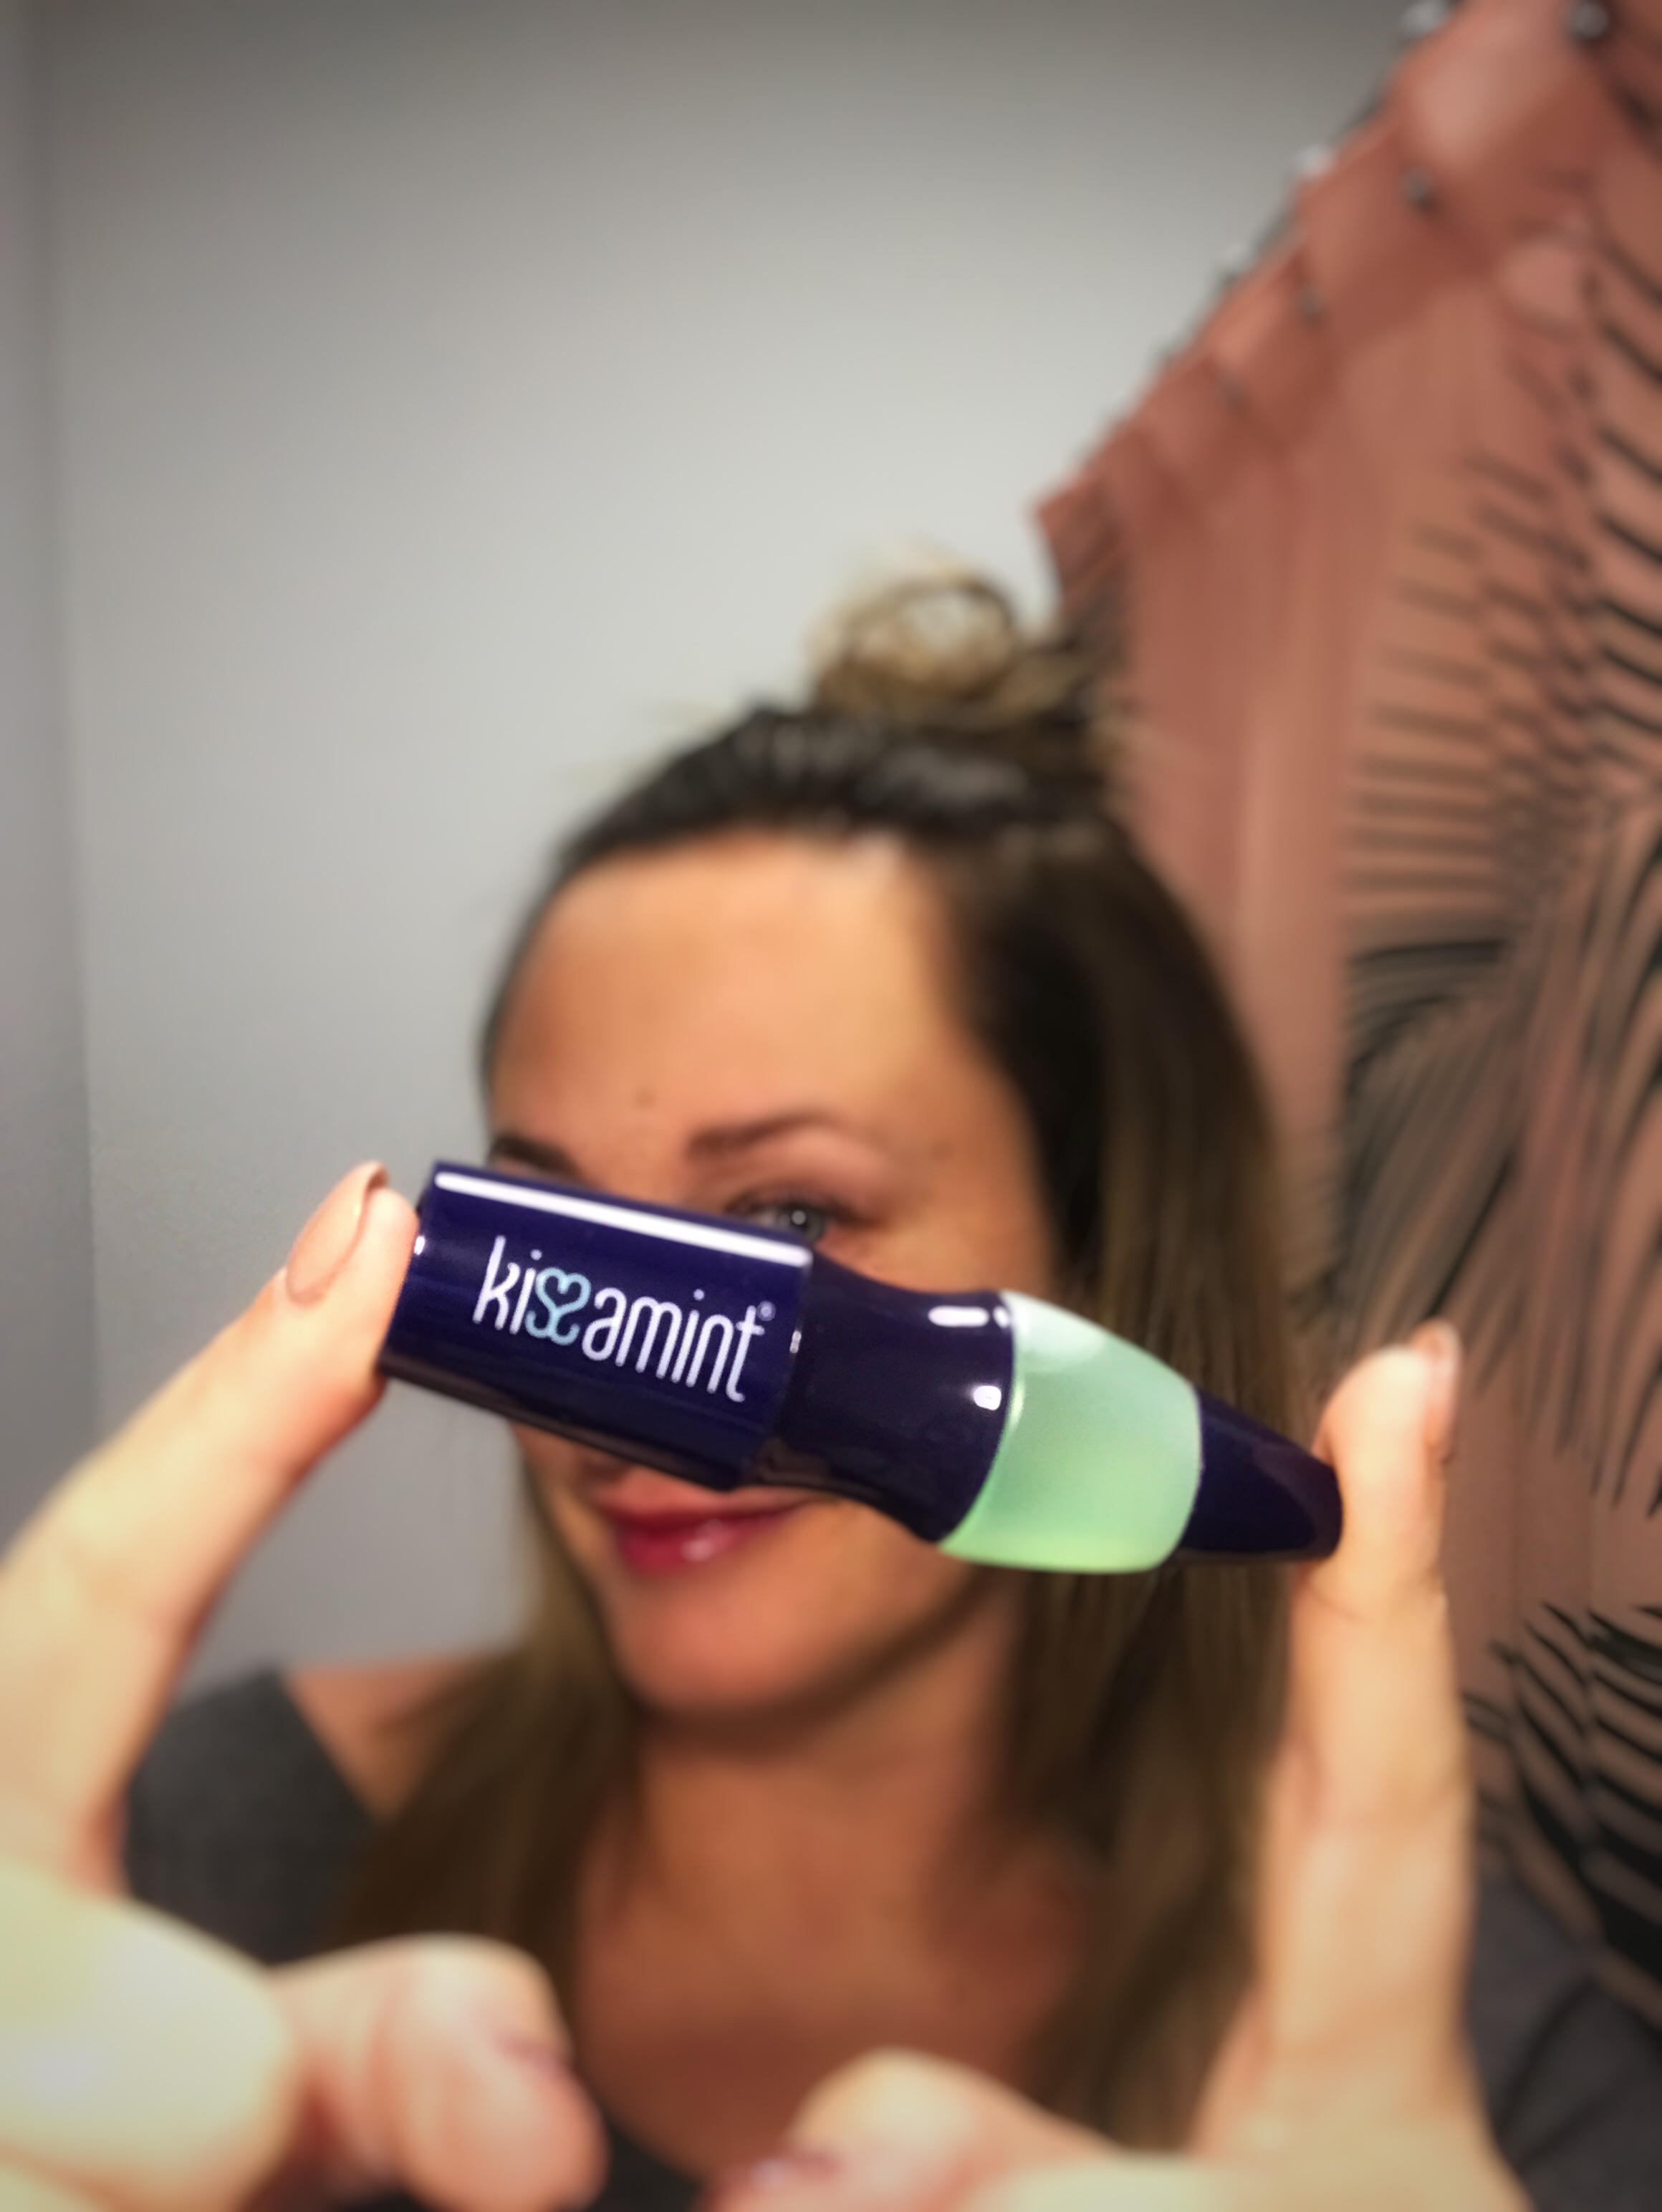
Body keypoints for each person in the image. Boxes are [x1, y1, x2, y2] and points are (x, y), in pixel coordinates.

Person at [2, 581, 1658, 2208]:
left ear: (1096, 1277)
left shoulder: (1462, 2061)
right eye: (561, 1237)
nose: (610, 1411)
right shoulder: (181, 1858)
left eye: (785, 1218)